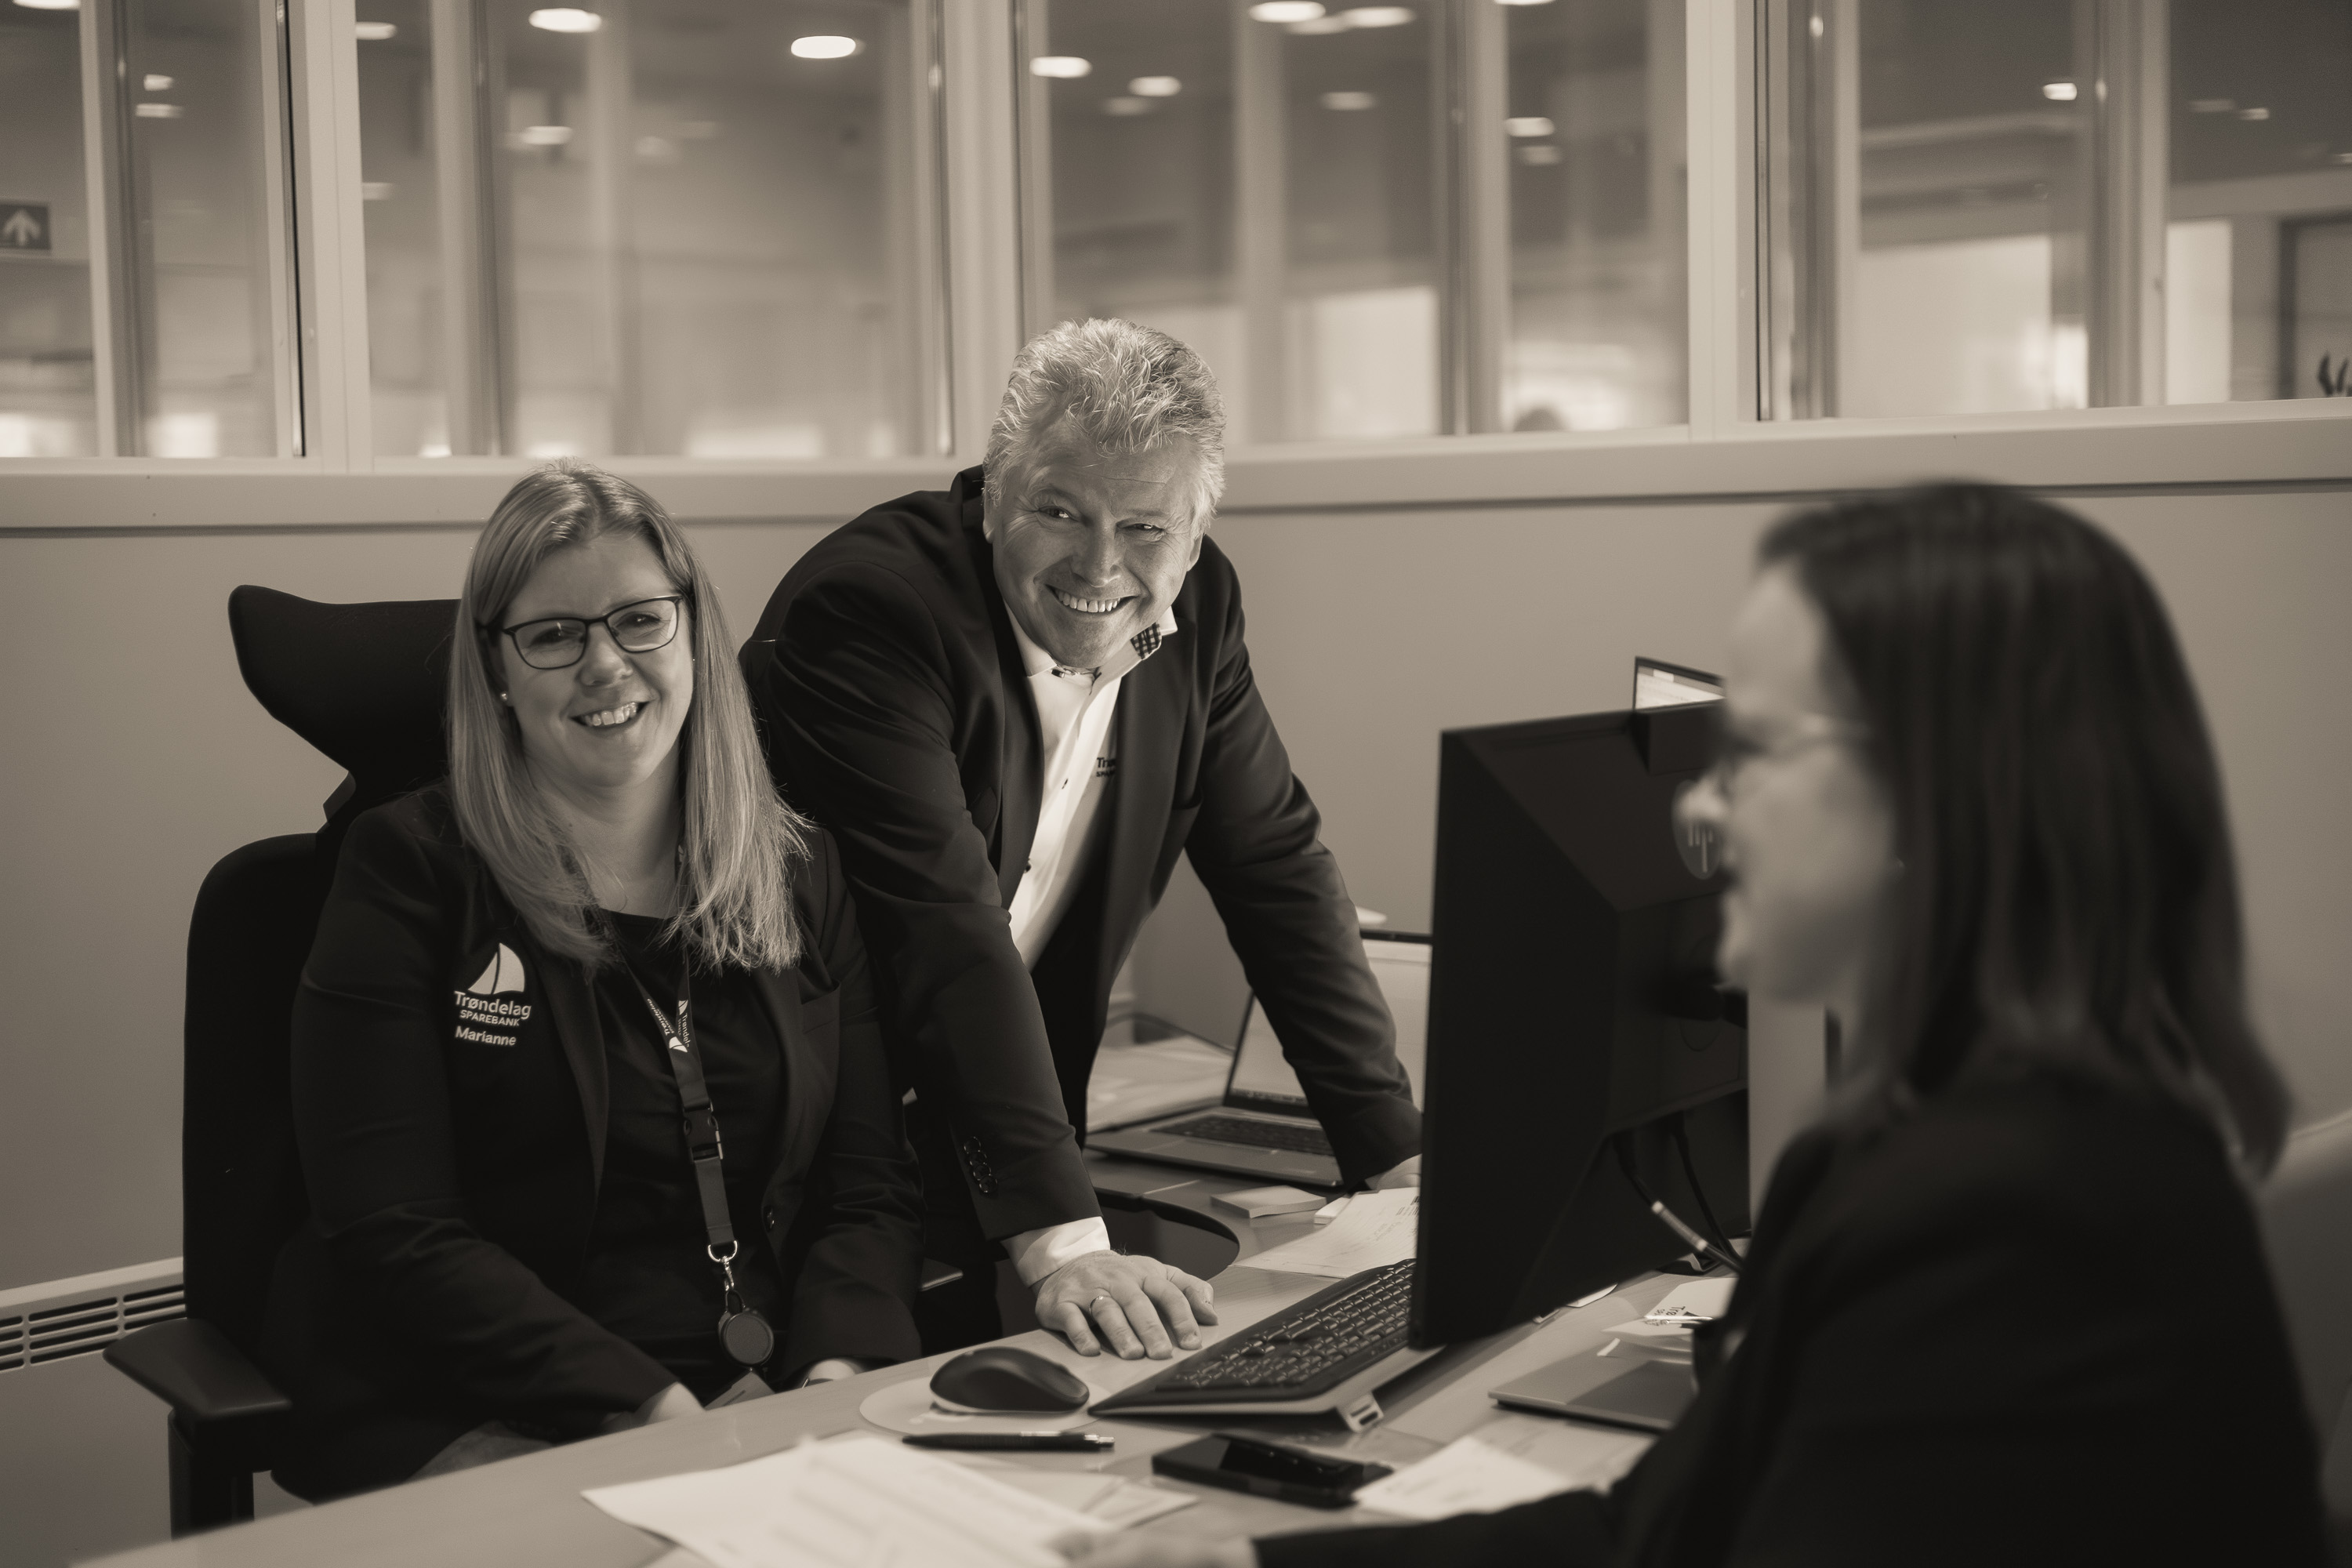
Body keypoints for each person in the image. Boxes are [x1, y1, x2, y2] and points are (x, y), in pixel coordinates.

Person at [1060, 485, 2328, 1566]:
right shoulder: (1920, 1144)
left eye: (1753, 749)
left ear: (1938, 798)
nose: (1702, 812)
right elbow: (1657, 1535)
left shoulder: (2021, 1218)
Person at [743, 319, 1421, 1360]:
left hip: (991, 1117)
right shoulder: (874, 610)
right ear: (990, 496)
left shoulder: (1195, 613)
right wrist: (1062, 1239)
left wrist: (1393, 1156)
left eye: (1147, 528)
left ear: (1193, 542)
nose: (1100, 565)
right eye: (1060, 511)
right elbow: (945, 923)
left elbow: (1274, 865)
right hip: (825, 1134)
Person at [266, 463, 922, 1499]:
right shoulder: (410, 871)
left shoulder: (801, 870)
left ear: (694, 633)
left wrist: (828, 1379)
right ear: (497, 669)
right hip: (482, 1393)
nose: (606, 666)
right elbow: (398, 1231)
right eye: (555, 634)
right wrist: (660, 1417)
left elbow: (870, 1186)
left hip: (771, 1397)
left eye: (638, 621)